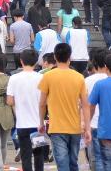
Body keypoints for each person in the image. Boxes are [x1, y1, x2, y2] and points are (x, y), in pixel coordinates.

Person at [38, 43, 92, 171]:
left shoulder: (48, 76)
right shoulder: (79, 77)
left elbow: (42, 104)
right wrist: (88, 128)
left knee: (62, 164)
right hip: (75, 127)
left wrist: (41, 123)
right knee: (73, 162)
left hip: (56, 127)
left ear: (55, 57)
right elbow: (85, 105)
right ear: (70, 57)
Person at [7, 48, 47, 171]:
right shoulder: (41, 78)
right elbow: (45, 101)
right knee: (39, 155)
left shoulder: (14, 78)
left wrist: (16, 108)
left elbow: (9, 101)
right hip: (38, 124)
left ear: (21, 61)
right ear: (36, 62)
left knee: (25, 155)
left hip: (22, 123)